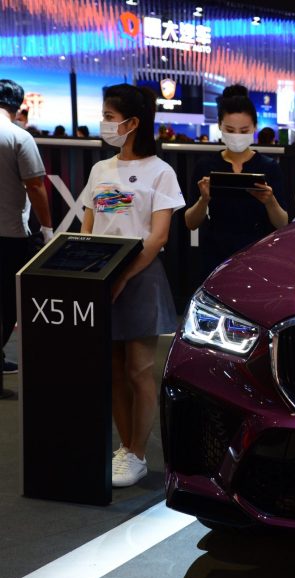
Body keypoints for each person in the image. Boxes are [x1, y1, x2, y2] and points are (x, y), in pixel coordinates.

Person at [78, 84, 185, 486]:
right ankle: (124, 447)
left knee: (139, 369)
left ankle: (138, 452)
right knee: (112, 369)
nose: (104, 122)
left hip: (140, 276)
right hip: (102, 276)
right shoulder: (100, 170)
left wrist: (122, 276)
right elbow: (88, 225)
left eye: (109, 115)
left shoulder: (161, 171)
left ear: (133, 122)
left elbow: (157, 237)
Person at [184, 84, 289, 279]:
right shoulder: (206, 165)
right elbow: (190, 222)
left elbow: (282, 223)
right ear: (220, 126)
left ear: (254, 127)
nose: (237, 136)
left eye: (244, 130)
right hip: (215, 253)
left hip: (258, 252)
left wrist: (270, 200)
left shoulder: (268, 167)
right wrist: (203, 200)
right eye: (230, 130)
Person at [0, 80, 53, 375]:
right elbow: (35, 186)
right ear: (18, 106)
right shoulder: (18, 137)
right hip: (9, 233)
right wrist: (47, 229)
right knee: (8, 302)